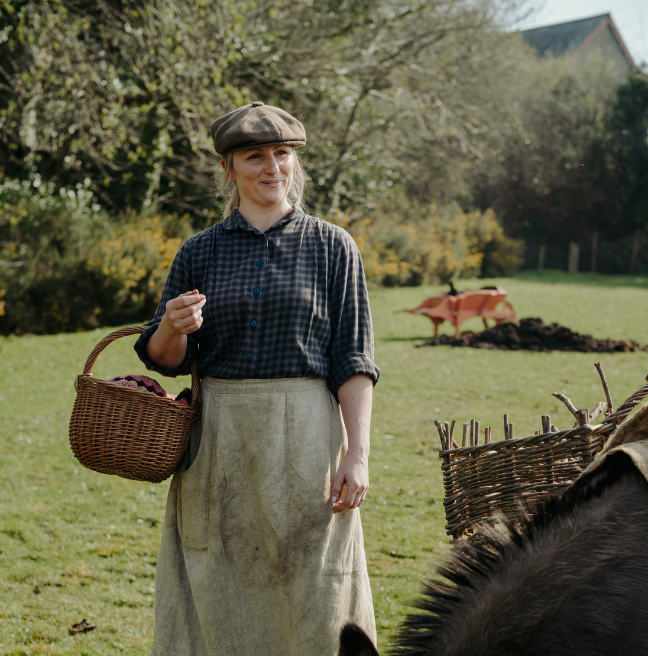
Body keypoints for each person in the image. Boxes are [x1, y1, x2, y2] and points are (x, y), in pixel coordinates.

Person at [134, 101, 380, 656]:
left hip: (309, 440)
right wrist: (174, 326)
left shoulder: (332, 246)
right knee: (217, 579)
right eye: (255, 156)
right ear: (229, 169)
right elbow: (162, 356)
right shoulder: (200, 251)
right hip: (218, 442)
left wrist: (357, 454)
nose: (272, 167)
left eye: (282, 154)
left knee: (317, 587)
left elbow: (354, 360)